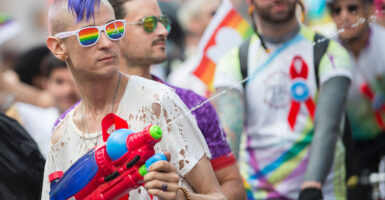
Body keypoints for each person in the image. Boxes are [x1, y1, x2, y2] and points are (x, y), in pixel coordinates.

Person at [41, 0, 225, 200]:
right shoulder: (62, 135)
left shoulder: (158, 101)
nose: (106, 42)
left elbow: (218, 196)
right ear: (58, 47)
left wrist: (180, 197)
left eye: (113, 29)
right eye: (89, 35)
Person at [214, 0, 352, 199]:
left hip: (320, 191)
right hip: (257, 193)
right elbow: (229, 138)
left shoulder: (329, 51)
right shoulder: (233, 61)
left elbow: (329, 127)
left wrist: (312, 185)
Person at [108, 0, 245, 199]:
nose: (163, 31)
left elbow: (231, 185)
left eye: (163, 22)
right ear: (114, 32)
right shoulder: (81, 117)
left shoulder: (193, 105)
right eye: (148, 24)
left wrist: (182, 196)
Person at [328, 0, 385, 199]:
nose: (344, 16)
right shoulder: (325, 51)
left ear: (368, 10)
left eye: (352, 8)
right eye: (336, 11)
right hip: (351, 143)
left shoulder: (383, 44)